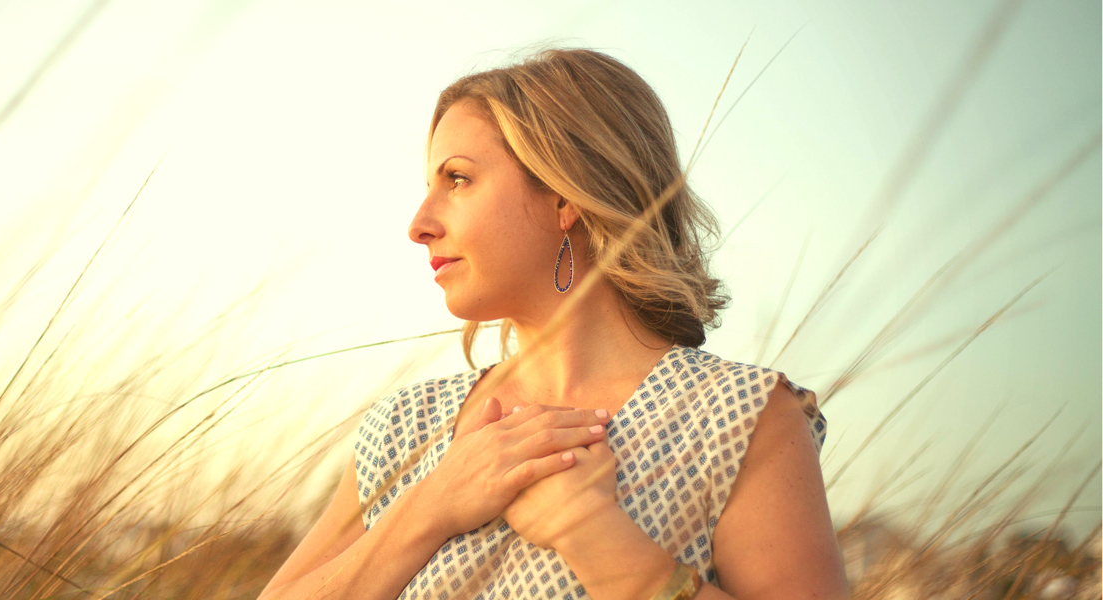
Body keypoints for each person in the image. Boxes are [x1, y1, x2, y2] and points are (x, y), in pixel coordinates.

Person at [258, 47, 850, 600]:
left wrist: (595, 533)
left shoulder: (740, 421)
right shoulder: (403, 429)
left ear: (566, 196)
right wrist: (431, 503)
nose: (419, 223)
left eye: (457, 179)